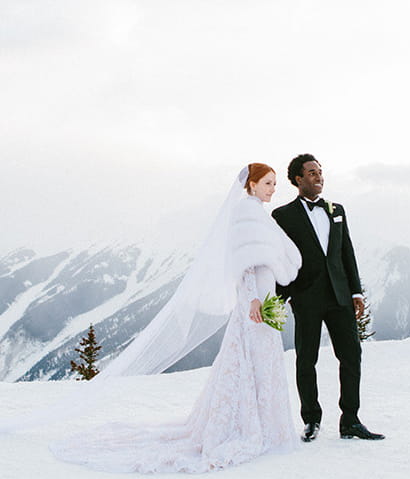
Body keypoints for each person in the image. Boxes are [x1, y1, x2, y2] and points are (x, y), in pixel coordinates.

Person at [49, 164, 302, 473]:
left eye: (274, 183)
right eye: (267, 183)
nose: (273, 188)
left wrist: (266, 298)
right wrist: (252, 299)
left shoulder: (259, 214)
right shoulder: (246, 214)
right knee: (252, 364)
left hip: (265, 301)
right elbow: (244, 264)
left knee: (262, 365)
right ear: (250, 184)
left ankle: (265, 427)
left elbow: (266, 264)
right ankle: (252, 428)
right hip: (255, 305)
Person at [272, 154, 385, 442]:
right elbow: (279, 259)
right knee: (305, 360)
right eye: (311, 173)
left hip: (340, 295)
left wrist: (356, 291)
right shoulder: (282, 216)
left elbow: (346, 252)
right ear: (298, 179)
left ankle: (351, 420)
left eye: (320, 172)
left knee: (351, 356)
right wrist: (278, 298)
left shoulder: (337, 210)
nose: (319, 177)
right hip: (305, 297)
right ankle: (311, 420)